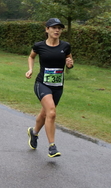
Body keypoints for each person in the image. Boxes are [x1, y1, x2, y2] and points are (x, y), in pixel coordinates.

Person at [25, 18, 74, 158]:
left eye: (59, 28)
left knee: (46, 113)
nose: (57, 30)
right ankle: (52, 146)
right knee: (51, 112)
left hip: (58, 86)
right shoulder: (39, 46)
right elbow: (31, 57)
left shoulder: (65, 46)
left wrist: (70, 64)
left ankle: (34, 133)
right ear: (47, 29)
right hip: (42, 84)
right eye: (54, 27)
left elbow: (69, 61)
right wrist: (30, 69)